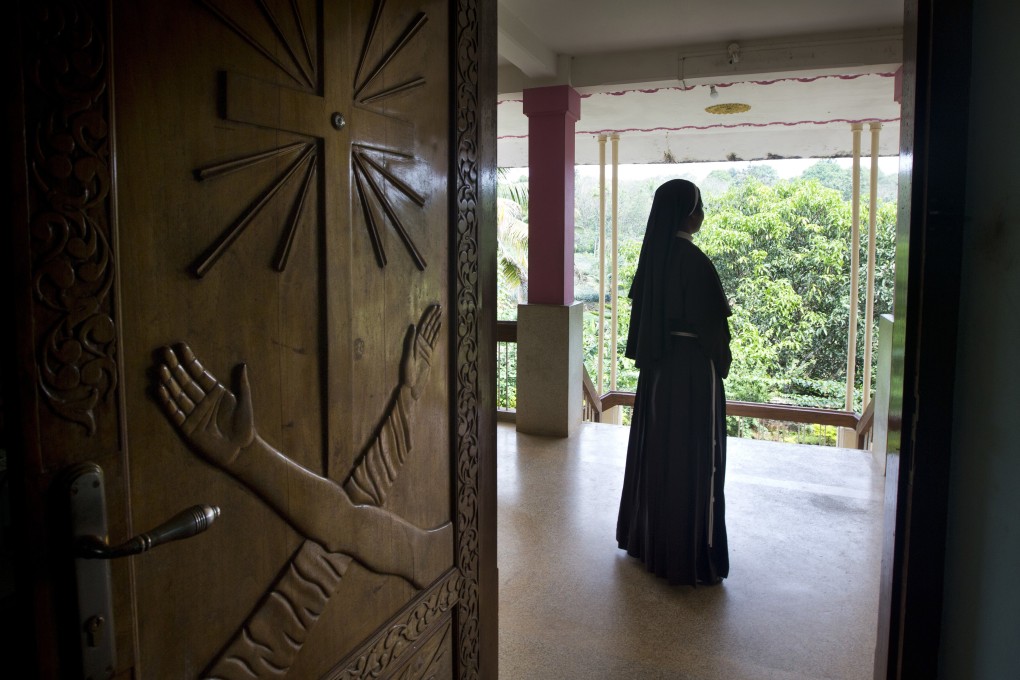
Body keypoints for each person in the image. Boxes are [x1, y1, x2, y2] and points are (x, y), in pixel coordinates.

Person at [616, 179, 732, 586]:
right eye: (699, 207)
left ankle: (649, 542)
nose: (701, 215)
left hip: (658, 374)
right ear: (688, 214)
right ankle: (688, 554)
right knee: (694, 458)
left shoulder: (652, 262)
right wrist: (721, 361)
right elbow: (715, 332)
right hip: (691, 376)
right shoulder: (696, 263)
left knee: (658, 453)